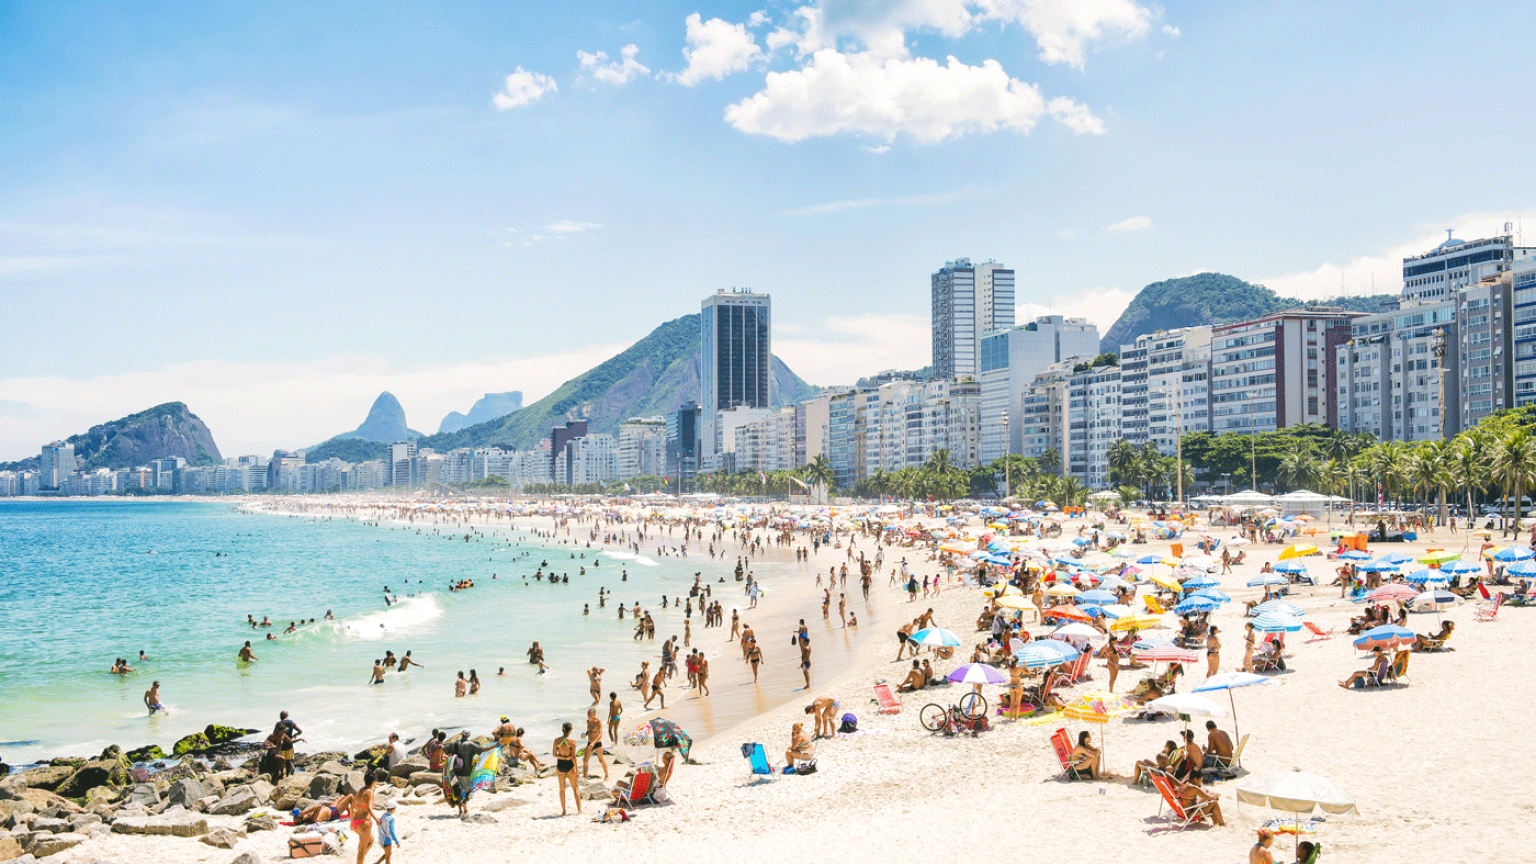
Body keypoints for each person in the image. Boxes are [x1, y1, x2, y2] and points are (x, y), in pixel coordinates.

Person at [444, 731, 485, 817]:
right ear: (469, 735)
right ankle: (464, 806)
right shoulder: (470, 744)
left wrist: (452, 755)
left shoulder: (455, 743)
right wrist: (496, 745)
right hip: (466, 772)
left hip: (455, 770)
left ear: (462, 735)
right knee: (468, 791)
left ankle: (460, 810)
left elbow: (444, 749)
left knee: (458, 790)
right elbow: (482, 750)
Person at [554, 722, 581, 816]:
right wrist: (577, 770)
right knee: (575, 788)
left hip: (560, 765)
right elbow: (573, 757)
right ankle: (579, 810)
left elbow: (554, 754)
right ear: (570, 730)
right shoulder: (572, 742)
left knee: (562, 789)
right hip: (570, 766)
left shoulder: (557, 740)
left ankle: (564, 811)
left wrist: (563, 758)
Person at [351, 772, 378, 864]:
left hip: (355, 821)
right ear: (373, 782)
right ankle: (359, 861)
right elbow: (369, 807)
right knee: (361, 850)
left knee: (370, 841)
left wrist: (351, 821)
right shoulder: (370, 791)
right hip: (364, 823)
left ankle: (360, 861)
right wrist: (376, 819)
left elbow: (352, 806)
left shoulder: (360, 790)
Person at [583, 708, 610, 781]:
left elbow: (600, 734)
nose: (588, 716)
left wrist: (593, 743)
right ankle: (585, 777)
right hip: (590, 743)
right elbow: (589, 731)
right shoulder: (588, 721)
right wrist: (585, 734)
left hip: (597, 743)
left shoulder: (598, 722)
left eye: (589, 714)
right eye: (587, 714)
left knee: (601, 760)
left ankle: (607, 775)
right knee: (585, 761)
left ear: (594, 714)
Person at [373, 799, 399, 864]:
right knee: (388, 856)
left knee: (387, 854)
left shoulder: (383, 816)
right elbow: (391, 831)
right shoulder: (391, 819)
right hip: (387, 840)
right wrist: (396, 841)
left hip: (381, 839)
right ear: (394, 809)